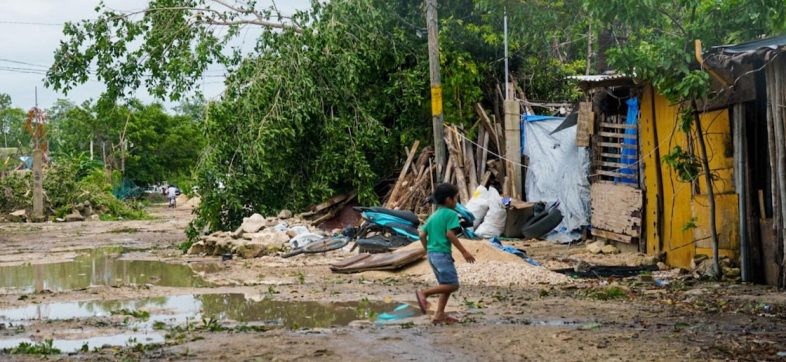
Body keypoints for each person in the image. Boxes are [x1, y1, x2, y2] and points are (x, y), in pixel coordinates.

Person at [415, 183, 476, 325]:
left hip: (433, 255)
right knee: (453, 285)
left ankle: (439, 315)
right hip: (441, 254)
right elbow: (450, 234)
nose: (456, 202)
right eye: (456, 198)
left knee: (445, 284)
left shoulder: (433, 216)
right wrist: (464, 251)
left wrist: (427, 249)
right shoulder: (451, 214)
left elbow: (422, 235)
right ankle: (424, 293)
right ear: (449, 200)